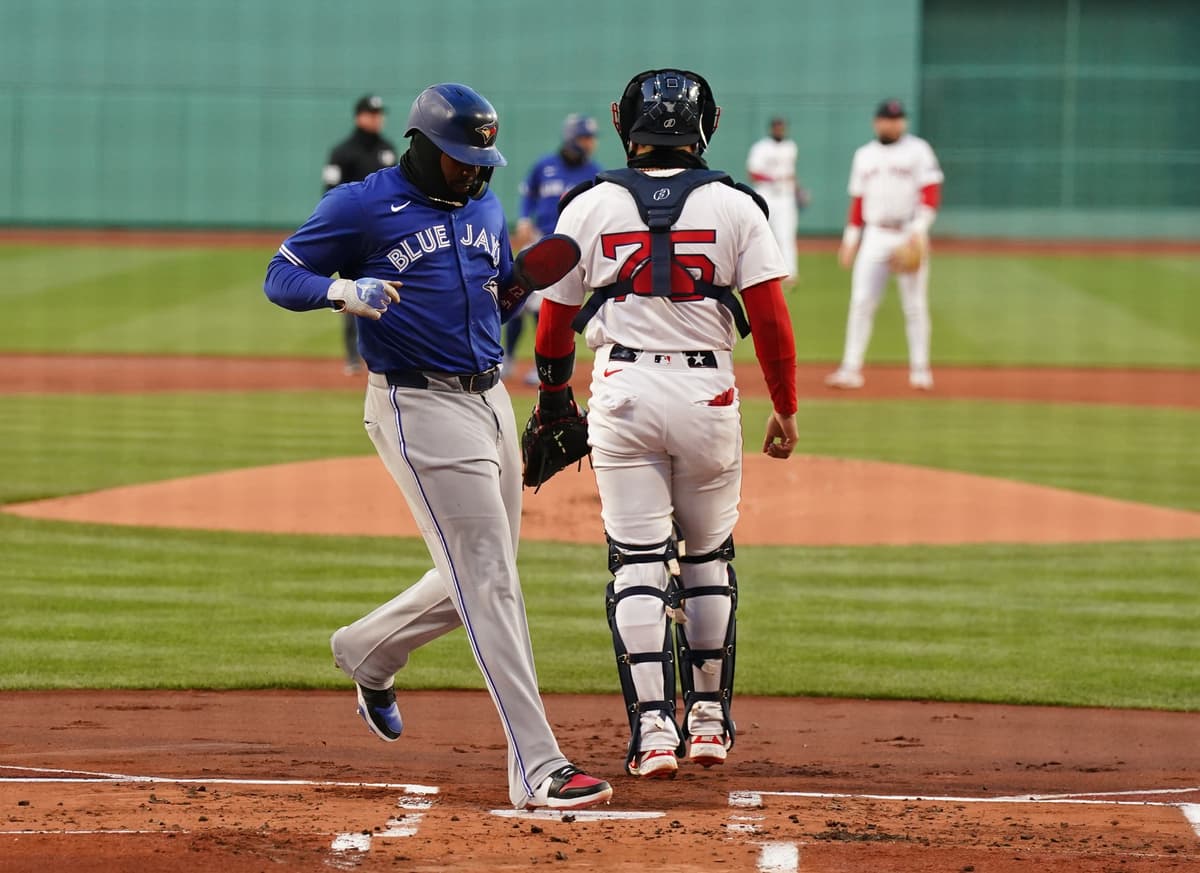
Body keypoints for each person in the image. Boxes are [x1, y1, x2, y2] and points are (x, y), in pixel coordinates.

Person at [264, 82, 613, 811]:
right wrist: (340, 292)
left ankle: (367, 649)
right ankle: (538, 764)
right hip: (416, 405)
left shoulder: (482, 203)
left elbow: (491, 299)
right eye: (459, 160)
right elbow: (279, 274)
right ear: (421, 147)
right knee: (489, 579)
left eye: (483, 160)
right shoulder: (362, 204)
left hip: (489, 397)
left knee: (483, 573)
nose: (475, 172)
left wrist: (517, 281)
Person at [529, 69, 799, 779]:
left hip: (621, 388)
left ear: (627, 126)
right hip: (708, 389)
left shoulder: (588, 203)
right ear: (704, 124)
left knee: (637, 562)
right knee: (708, 556)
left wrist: (556, 399)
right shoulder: (738, 204)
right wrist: (786, 406)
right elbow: (770, 319)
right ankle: (707, 722)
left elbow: (553, 321)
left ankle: (653, 732)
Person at [826, 98, 944, 391]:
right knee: (862, 302)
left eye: (898, 118)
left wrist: (918, 231)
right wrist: (850, 240)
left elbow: (930, 193)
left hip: (908, 232)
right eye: (888, 119)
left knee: (914, 306)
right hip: (875, 235)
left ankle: (920, 371)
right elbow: (858, 201)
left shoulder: (918, 151)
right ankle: (850, 369)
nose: (893, 123)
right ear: (876, 122)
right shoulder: (864, 155)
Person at [503, 114, 603, 385]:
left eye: (591, 138)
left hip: (570, 248)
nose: (590, 143)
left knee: (544, 305)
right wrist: (524, 219)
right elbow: (528, 193)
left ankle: (541, 365)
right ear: (571, 138)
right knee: (521, 305)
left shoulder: (595, 172)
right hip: (540, 240)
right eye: (585, 137)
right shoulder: (545, 166)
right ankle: (509, 360)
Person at [322, 94, 399, 375]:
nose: (377, 118)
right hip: (353, 234)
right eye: (372, 113)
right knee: (352, 291)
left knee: (390, 292)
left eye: (380, 114)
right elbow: (329, 193)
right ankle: (353, 355)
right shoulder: (342, 152)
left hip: (386, 235)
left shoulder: (388, 150)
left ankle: (384, 352)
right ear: (359, 116)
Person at [746, 117, 803, 283]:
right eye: (777, 127)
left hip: (786, 197)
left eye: (782, 127)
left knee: (786, 236)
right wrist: (773, 179)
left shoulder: (790, 147)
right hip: (766, 196)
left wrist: (799, 190)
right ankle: (761, 273)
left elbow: (791, 175)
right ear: (772, 129)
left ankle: (790, 274)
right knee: (761, 235)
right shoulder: (761, 147)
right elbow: (753, 173)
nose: (780, 130)